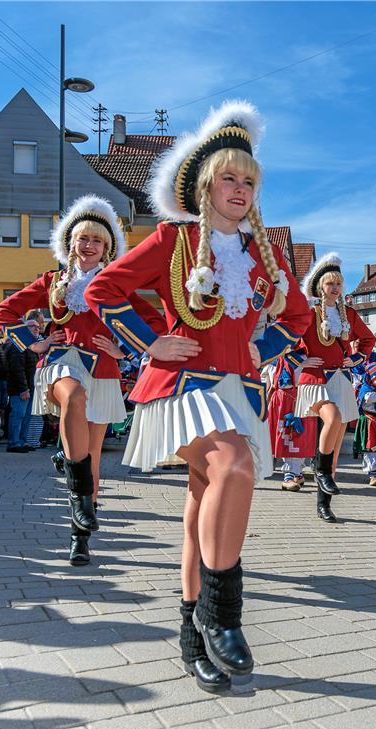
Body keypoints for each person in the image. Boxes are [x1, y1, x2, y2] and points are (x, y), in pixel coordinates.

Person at [85, 101, 311, 694]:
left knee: (199, 513)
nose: (241, 189)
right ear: (207, 186)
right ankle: (223, 615)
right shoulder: (173, 238)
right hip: (183, 388)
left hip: (239, 390)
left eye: (250, 181)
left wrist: (266, 345)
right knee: (234, 465)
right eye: (230, 179)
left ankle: (191, 637)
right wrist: (150, 341)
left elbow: (298, 314)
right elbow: (105, 289)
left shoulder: (268, 253)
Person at [0, 195, 162, 563]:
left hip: (103, 368)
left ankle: (80, 536)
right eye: (82, 239)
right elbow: (3, 312)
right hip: (62, 360)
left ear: (108, 247)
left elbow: (156, 323)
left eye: (96, 240)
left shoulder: (117, 285)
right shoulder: (54, 280)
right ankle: (75, 481)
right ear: (70, 242)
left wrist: (127, 351)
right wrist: (34, 344)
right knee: (73, 396)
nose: (88, 246)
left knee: (94, 457)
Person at [292, 253, 376, 524]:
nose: (336, 288)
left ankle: (323, 504)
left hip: (339, 378)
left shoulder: (348, 313)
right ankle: (321, 470)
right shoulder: (308, 312)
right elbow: (287, 337)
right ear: (320, 287)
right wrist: (301, 359)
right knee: (334, 417)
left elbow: (368, 338)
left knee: (336, 444)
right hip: (314, 378)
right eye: (330, 284)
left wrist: (356, 358)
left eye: (339, 283)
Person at [267, 358, 315, 492]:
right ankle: (289, 475)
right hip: (285, 401)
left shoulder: (308, 354)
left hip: (304, 398)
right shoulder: (279, 359)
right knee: (288, 436)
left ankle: (297, 472)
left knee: (301, 436)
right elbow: (276, 384)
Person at [2, 319, 40, 453]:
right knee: (18, 415)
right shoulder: (18, 345)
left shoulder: (31, 346)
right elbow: (17, 369)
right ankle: (14, 443)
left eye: (38, 327)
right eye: (33, 327)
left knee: (26, 416)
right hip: (20, 389)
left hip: (29, 386)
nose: (36, 329)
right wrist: (23, 389)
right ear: (24, 329)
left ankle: (22, 441)